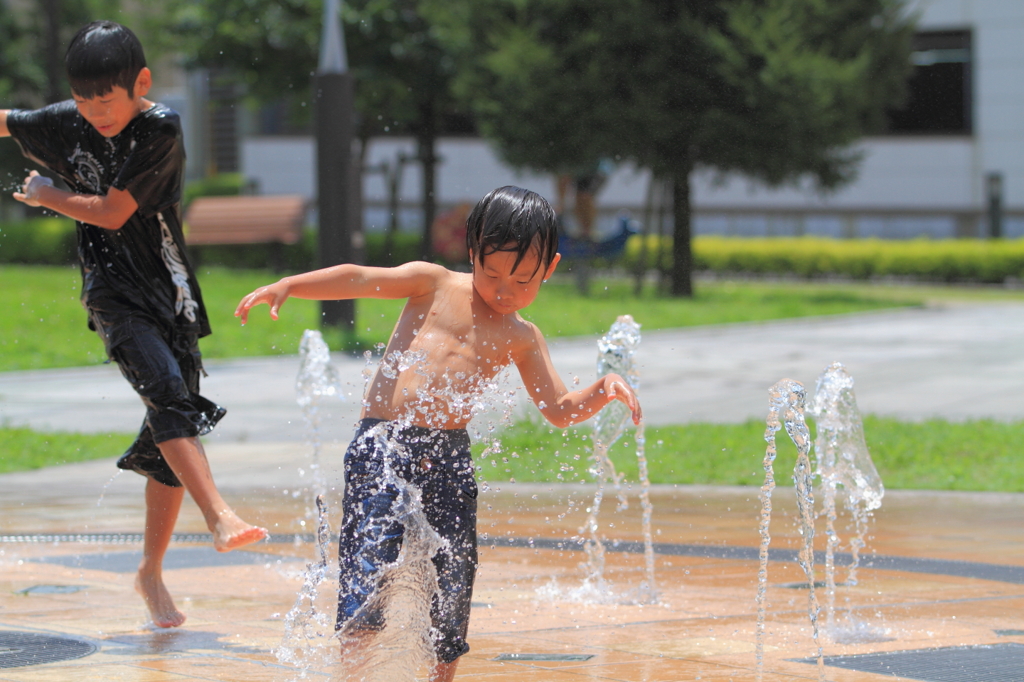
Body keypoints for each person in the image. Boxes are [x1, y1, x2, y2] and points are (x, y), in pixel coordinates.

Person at [236, 185, 642, 682]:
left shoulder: (522, 337)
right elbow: (360, 277)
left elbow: (559, 409)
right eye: (492, 273)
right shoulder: (432, 283)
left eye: (522, 280)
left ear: (549, 269)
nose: (504, 290)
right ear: (472, 253)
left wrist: (603, 388)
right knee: (367, 568)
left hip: (448, 456)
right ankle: (354, 671)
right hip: (383, 444)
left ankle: (441, 672)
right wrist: (290, 285)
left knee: (454, 572)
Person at [0, 20, 266, 628]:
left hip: (171, 291)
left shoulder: (160, 129)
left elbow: (113, 212)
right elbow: (8, 120)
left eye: (108, 101)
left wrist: (46, 195)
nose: (97, 114)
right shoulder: (69, 119)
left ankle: (149, 572)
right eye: (85, 101)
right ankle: (220, 516)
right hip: (112, 292)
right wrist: (49, 180)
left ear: (140, 83)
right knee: (169, 398)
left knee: (169, 436)